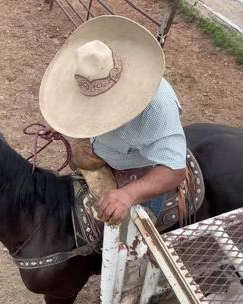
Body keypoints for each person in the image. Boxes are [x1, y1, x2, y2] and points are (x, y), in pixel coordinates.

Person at [38, 15, 186, 225]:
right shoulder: (93, 72)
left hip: (143, 169)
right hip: (107, 150)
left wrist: (128, 194)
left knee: (130, 234)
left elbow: (174, 169)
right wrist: (63, 122)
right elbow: (87, 106)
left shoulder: (156, 107)